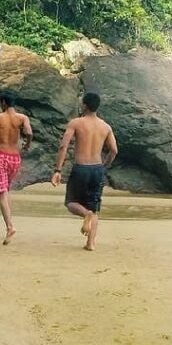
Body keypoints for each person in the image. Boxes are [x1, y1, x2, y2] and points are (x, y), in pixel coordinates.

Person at [51, 93, 117, 251]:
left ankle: (86, 214)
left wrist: (58, 170)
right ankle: (90, 243)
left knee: (71, 202)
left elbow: (63, 146)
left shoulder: (76, 123)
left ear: (85, 105)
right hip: (97, 169)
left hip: (81, 168)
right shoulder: (105, 127)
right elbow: (114, 150)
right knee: (94, 207)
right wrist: (104, 166)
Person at [0, 91, 32, 245]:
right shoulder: (22, 118)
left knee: (2, 193)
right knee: (6, 190)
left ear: (4, 103)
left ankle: (9, 226)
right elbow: (29, 132)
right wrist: (27, 145)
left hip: (1, 156)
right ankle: (10, 223)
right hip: (15, 158)